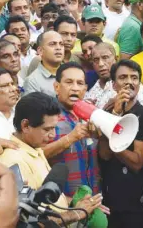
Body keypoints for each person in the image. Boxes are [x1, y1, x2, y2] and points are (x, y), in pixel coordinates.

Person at [0, 92, 107, 225]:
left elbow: (46, 202)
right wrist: (77, 213)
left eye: (54, 128)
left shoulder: (35, 148)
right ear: (25, 126)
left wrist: (79, 204)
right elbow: (27, 221)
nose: (53, 135)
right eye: (47, 129)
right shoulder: (13, 161)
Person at [98, 59, 143, 228]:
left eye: (134, 78)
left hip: (134, 202)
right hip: (109, 199)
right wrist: (115, 115)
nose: (129, 82)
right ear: (114, 84)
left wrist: (114, 141)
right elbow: (104, 154)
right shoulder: (107, 112)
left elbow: (137, 162)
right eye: (123, 77)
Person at [40, 62, 101, 196]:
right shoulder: (45, 116)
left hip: (93, 199)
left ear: (85, 89)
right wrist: (70, 139)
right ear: (56, 87)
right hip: (62, 204)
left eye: (80, 83)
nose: (75, 88)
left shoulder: (92, 114)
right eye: (69, 82)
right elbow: (36, 155)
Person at [85, 43, 143, 110]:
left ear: (116, 59)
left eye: (105, 57)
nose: (100, 64)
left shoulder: (133, 86)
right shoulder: (91, 91)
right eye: (96, 60)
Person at [24, 31, 64, 97]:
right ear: (40, 51)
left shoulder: (71, 73)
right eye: (52, 44)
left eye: (61, 44)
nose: (58, 48)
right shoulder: (32, 81)